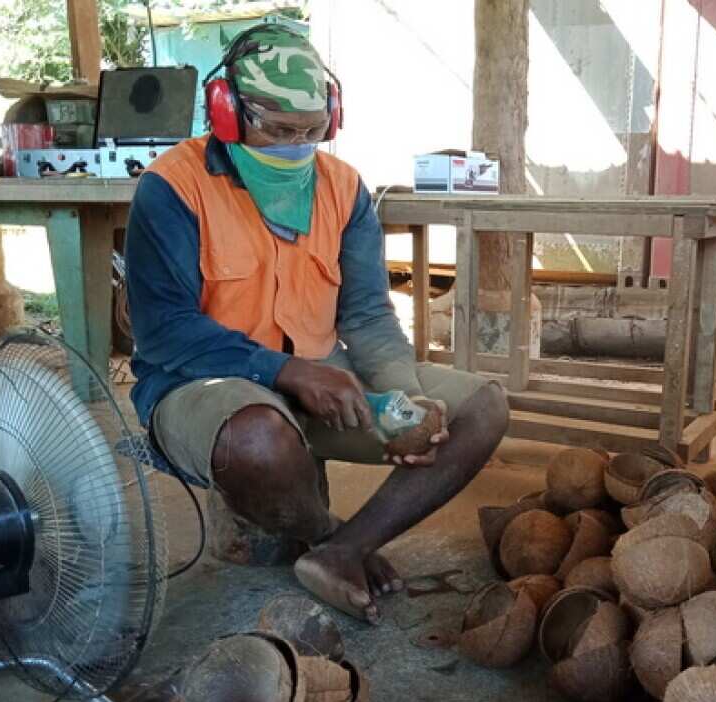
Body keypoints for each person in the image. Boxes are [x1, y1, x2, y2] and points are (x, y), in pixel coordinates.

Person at [124, 25, 509, 623]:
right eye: (279, 131)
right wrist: (287, 372)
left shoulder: (344, 188)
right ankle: (327, 532)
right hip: (202, 383)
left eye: (311, 132)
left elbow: (367, 313)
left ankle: (343, 552)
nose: (296, 148)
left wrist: (403, 397)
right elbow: (164, 332)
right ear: (226, 113)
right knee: (259, 442)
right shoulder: (172, 189)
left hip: (324, 373)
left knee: (480, 408)